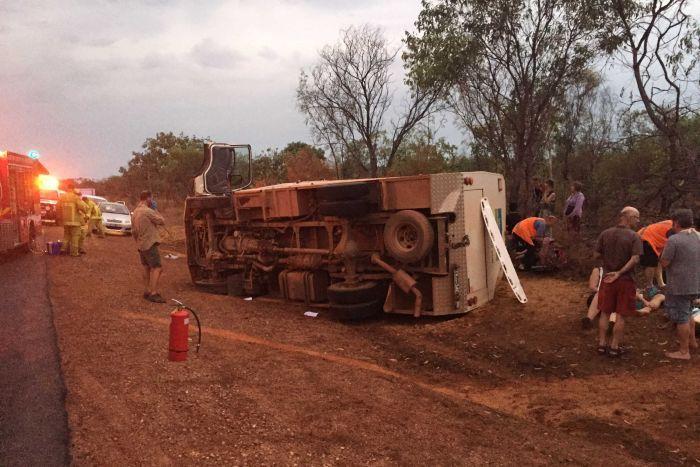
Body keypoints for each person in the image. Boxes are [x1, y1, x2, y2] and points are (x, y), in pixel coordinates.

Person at [594, 206, 642, 357]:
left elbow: (596, 254)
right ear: (627, 217)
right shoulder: (634, 236)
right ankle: (614, 347)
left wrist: (608, 264)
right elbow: (635, 258)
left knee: (604, 312)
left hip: (608, 278)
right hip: (625, 280)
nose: (638, 220)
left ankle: (601, 345)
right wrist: (620, 272)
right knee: (621, 315)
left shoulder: (605, 233)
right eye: (636, 217)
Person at [659, 208, 699, 360]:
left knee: (681, 318)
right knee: (689, 312)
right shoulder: (698, 237)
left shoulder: (674, 240)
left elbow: (664, 262)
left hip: (679, 285)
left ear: (676, 223)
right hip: (695, 283)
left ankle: (684, 351)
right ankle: (692, 342)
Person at [132, 190, 166, 303]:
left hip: (141, 244)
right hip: (150, 243)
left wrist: (138, 241)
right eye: (151, 198)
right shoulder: (148, 211)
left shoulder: (135, 211)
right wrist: (155, 209)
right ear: (148, 198)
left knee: (146, 267)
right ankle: (153, 293)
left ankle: (146, 290)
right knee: (157, 267)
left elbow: (133, 231)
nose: (152, 200)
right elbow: (162, 221)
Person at [638, 219, 673, 289]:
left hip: (655, 240)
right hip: (646, 238)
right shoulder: (674, 226)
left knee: (658, 262)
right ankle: (649, 286)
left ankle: (661, 283)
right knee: (650, 264)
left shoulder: (674, 224)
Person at [57, 182, 88, 257]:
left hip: (65, 221)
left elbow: (57, 207)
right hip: (75, 222)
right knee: (75, 236)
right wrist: (85, 211)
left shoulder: (62, 197)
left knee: (66, 235)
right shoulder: (75, 197)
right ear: (73, 189)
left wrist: (60, 217)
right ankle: (74, 253)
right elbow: (83, 207)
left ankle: (63, 250)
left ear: (67, 189)